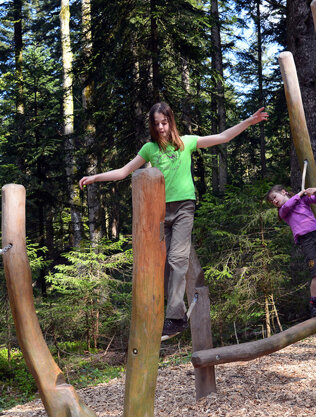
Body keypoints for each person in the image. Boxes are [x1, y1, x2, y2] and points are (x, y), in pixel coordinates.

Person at [79, 102, 268, 340]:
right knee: (165, 265)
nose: (161, 128)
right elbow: (124, 171)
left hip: (184, 208)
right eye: (156, 124)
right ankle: (169, 313)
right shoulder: (150, 148)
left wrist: (249, 121)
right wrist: (96, 177)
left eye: (164, 123)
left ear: (171, 121)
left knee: (178, 259)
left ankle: (176, 317)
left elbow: (222, 137)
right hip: (160, 211)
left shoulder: (186, 142)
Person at [265, 185, 316, 318]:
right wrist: (301, 193)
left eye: (274, 197)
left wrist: (315, 191)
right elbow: (288, 205)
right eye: (272, 201)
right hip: (306, 241)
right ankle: (314, 305)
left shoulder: (302, 200)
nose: (274, 202)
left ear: (283, 192)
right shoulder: (283, 210)